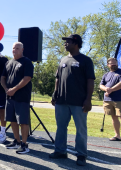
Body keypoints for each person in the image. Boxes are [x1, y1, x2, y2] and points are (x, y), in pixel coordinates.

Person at [50, 34, 95, 166]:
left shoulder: (86, 60)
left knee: (80, 129)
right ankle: (60, 151)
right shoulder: (63, 59)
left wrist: (88, 99)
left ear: (76, 43)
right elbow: (58, 78)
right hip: (62, 101)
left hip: (79, 102)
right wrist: (55, 93)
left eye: (67, 42)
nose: (65, 44)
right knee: (61, 127)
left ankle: (81, 155)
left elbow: (90, 81)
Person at [1, 42, 34, 154]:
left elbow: (27, 78)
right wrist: (6, 89)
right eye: (13, 48)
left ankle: (24, 144)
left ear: (22, 49)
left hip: (22, 97)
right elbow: (2, 78)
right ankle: (17, 141)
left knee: (23, 121)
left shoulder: (27, 62)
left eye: (17, 48)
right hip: (9, 97)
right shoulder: (8, 63)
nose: (15, 50)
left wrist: (14, 89)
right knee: (12, 120)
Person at [100, 58, 121, 141]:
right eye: (112, 64)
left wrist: (111, 89)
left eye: (115, 63)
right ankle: (117, 135)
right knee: (114, 117)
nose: (114, 65)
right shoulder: (106, 74)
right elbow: (101, 85)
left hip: (119, 99)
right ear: (108, 65)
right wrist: (106, 89)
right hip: (108, 99)